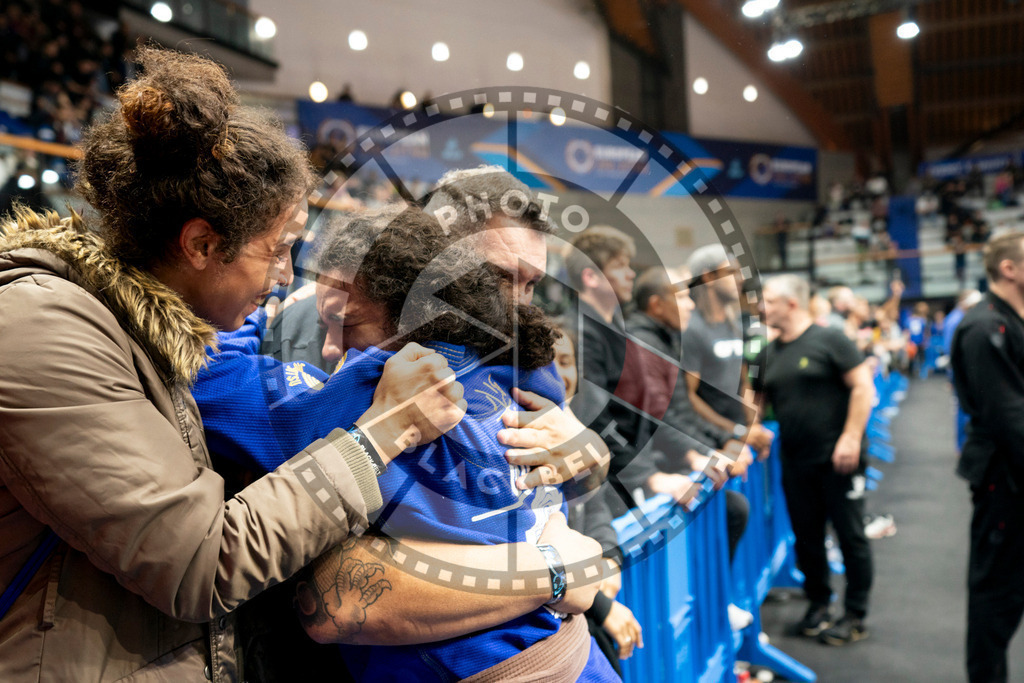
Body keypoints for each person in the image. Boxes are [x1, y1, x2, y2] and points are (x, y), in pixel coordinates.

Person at [0, 47, 466, 682]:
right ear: (200, 244)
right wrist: (384, 432)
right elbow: (201, 561)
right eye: (277, 251)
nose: (284, 278)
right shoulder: (45, 328)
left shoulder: (142, 327)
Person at [196, 207, 616, 681]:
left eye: (344, 323)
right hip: (576, 658)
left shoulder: (375, 387)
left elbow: (214, 382)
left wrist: (258, 310)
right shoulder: (530, 369)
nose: (331, 348)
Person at [754, 274, 875, 646]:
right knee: (807, 538)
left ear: (792, 303)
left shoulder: (831, 339)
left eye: (769, 300)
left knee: (851, 536)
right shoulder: (768, 351)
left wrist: (851, 437)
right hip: (796, 462)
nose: (762, 307)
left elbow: (862, 387)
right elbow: (754, 404)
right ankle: (819, 604)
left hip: (839, 458)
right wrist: (750, 431)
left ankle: (855, 614)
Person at [951, 230, 1024, 682]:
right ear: (1009, 268)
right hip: (1006, 482)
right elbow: (1009, 417)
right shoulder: (984, 327)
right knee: (995, 601)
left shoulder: (1012, 321)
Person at [552, 322, 643, 674]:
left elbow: (595, 505)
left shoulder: (576, 428)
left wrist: (609, 556)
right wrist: (602, 607)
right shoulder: (519, 437)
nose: (559, 373)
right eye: (547, 362)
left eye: (566, 360)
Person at [682, 245, 773, 458]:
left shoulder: (733, 323)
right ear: (708, 277)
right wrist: (736, 431)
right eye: (731, 272)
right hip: (714, 441)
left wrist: (753, 425)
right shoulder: (692, 329)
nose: (740, 278)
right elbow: (689, 397)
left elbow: (744, 380)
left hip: (741, 435)